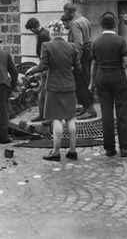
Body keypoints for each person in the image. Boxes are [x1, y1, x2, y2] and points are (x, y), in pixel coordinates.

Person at [89, 12, 127, 157]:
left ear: (102, 26)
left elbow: (93, 64)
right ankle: (126, 148)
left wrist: (91, 83)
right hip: (118, 77)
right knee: (123, 111)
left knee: (106, 113)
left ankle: (109, 148)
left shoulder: (96, 42)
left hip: (101, 77)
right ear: (115, 24)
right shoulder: (120, 41)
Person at [25, 21, 79, 162]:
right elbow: (77, 68)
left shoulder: (47, 46)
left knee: (56, 119)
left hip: (54, 87)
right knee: (70, 118)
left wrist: (31, 70)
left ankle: (55, 152)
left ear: (52, 32)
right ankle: (73, 151)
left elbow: (43, 66)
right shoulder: (72, 47)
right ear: (62, 31)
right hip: (69, 86)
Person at [63, 3, 97, 119]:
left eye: (65, 13)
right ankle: (87, 106)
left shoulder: (75, 23)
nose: (64, 15)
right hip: (89, 50)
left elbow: (78, 44)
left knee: (80, 81)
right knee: (86, 79)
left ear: (69, 12)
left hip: (82, 54)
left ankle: (90, 109)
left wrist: (75, 61)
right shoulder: (84, 19)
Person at [24, 17, 51, 123]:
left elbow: (43, 55)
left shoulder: (42, 36)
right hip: (45, 67)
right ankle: (43, 114)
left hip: (45, 67)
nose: (32, 32)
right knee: (42, 93)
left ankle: (44, 115)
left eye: (31, 29)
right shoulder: (45, 33)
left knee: (43, 94)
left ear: (34, 27)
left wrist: (36, 70)